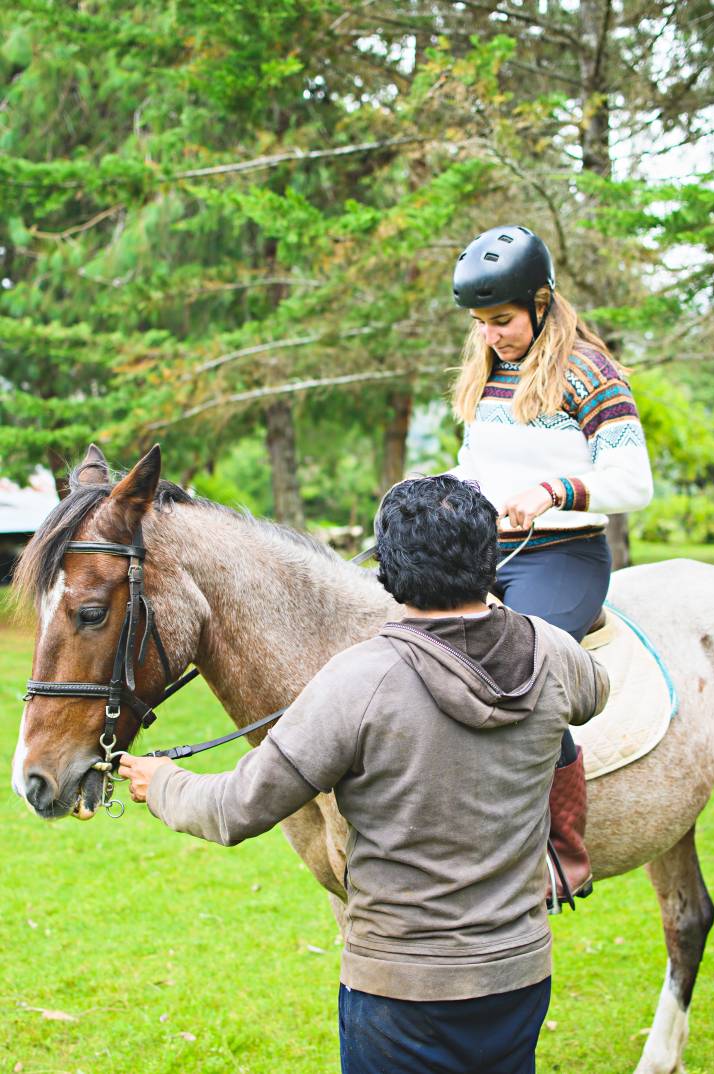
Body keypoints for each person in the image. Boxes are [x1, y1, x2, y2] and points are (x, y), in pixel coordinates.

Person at [120, 475, 609, 1074]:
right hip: (518, 976)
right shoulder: (553, 654)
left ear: (388, 572)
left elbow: (234, 809)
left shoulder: (357, 681)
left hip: (398, 998)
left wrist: (160, 782)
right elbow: (596, 690)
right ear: (491, 561)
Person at [451, 224, 653, 901]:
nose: (489, 335)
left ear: (541, 302)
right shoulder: (487, 372)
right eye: (480, 322)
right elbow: (475, 468)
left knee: (525, 674)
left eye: (501, 320)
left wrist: (553, 491)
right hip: (490, 553)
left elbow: (634, 480)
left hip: (564, 555)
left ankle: (564, 850)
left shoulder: (592, 373)